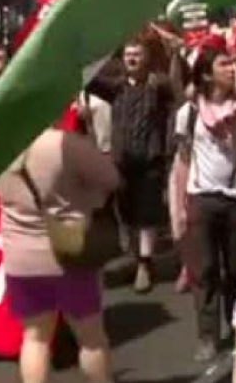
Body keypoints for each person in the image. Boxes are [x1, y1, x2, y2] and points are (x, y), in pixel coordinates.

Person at [0, 129, 119, 383]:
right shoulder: (64, 144)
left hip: (21, 257)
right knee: (91, 337)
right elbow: (111, 178)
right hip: (69, 253)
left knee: (35, 338)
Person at [175, 47, 236, 362]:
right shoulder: (189, 113)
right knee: (204, 270)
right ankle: (207, 334)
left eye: (233, 63)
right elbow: (182, 160)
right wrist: (179, 207)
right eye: (224, 64)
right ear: (207, 74)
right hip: (202, 200)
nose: (232, 68)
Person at [87, 38, 174, 294]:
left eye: (137, 54)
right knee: (127, 214)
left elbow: (175, 86)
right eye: (128, 55)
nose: (132, 58)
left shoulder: (158, 86)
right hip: (122, 162)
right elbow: (89, 80)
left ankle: (144, 264)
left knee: (146, 214)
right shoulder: (116, 88)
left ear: (146, 58)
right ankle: (138, 258)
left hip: (150, 161)